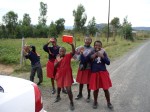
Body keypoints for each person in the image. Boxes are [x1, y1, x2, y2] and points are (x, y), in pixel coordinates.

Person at [89, 40, 113, 109]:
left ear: (101, 46)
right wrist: (94, 56)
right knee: (95, 89)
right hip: (94, 73)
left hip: (103, 73)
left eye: (99, 45)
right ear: (94, 46)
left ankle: (108, 102)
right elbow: (88, 60)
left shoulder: (103, 52)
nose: (97, 47)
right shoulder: (91, 52)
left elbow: (108, 62)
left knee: (106, 89)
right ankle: (95, 102)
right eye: (96, 45)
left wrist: (102, 56)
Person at [54, 43, 75, 110]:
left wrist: (72, 45)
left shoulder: (68, 56)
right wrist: (58, 61)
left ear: (65, 52)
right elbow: (55, 66)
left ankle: (71, 102)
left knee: (68, 89)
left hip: (67, 75)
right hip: (60, 74)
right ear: (59, 52)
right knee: (59, 86)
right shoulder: (57, 58)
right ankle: (58, 96)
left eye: (63, 51)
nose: (61, 52)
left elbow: (73, 52)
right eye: (60, 51)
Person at [75, 36, 94, 102]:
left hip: (89, 67)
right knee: (81, 82)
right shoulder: (80, 47)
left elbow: (93, 58)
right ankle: (80, 94)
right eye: (86, 39)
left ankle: (89, 95)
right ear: (84, 40)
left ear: (91, 41)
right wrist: (80, 54)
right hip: (82, 67)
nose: (87, 41)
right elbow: (75, 56)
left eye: (89, 40)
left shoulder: (92, 49)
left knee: (88, 82)